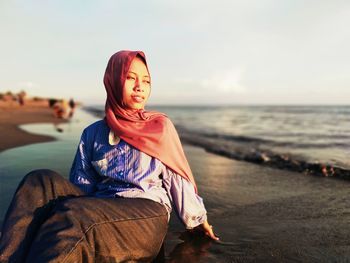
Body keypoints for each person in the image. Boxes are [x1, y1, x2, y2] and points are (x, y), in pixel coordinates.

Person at [0, 50, 218, 262]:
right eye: (130, 78)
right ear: (113, 81)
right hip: (100, 208)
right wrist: (62, 211)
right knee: (39, 181)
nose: (140, 87)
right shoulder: (93, 133)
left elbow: (177, 178)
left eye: (146, 80)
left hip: (146, 214)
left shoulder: (159, 127)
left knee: (77, 215)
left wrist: (197, 219)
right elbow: (82, 184)